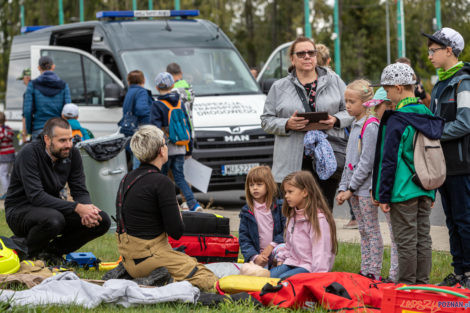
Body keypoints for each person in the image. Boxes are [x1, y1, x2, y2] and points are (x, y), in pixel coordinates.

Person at [115, 125, 217, 291]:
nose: (166, 147)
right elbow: (176, 232)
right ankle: (161, 280)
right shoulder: (162, 183)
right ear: (161, 151)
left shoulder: (127, 179)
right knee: (207, 277)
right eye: (165, 144)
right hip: (151, 258)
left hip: (128, 259)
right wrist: (177, 210)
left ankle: (139, 276)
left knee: (185, 259)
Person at [261, 36, 353, 211]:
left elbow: (351, 111)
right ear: (292, 58)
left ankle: (324, 239)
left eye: (311, 53)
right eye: (301, 53)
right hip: (292, 160)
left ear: (316, 56)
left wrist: (335, 120)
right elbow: (266, 121)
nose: (307, 57)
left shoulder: (334, 81)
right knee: (293, 213)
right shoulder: (279, 87)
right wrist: (287, 124)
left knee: (323, 211)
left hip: (326, 156)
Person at [372, 62, 444, 284]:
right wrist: (431, 191)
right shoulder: (428, 114)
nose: (386, 94)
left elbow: (389, 160)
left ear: (399, 87)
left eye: (388, 89)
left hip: (402, 190)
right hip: (425, 187)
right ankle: (422, 286)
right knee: (423, 238)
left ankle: (406, 289)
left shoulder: (396, 119)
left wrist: (383, 195)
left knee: (405, 241)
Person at [4, 117, 110, 264]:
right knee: (54, 220)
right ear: (47, 139)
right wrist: (77, 207)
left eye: (70, 139)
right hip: (19, 210)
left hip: (51, 207)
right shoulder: (29, 153)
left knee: (101, 220)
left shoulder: (72, 153)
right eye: (62, 141)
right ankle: (24, 251)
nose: (68, 145)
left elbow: (79, 190)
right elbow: (36, 196)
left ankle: (51, 252)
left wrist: (88, 209)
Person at [422, 27, 470, 287]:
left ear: (449, 50)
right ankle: (459, 272)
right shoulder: (441, 82)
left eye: (433, 50)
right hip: (443, 164)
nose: (429, 55)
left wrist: (435, 134)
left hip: (462, 164)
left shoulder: (463, 82)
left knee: (465, 219)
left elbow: (465, 123)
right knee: (452, 221)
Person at [336, 80, 397, 282]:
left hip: (363, 189)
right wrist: (343, 186)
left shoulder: (370, 126)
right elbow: (349, 161)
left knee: (372, 231)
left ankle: (373, 271)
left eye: (351, 101)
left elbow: (367, 162)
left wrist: (351, 188)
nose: (347, 105)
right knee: (363, 230)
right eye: (345, 101)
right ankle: (365, 269)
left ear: (365, 102)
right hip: (353, 189)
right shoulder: (354, 125)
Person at [150, 72, 202, 212]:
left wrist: (156, 149)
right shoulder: (180, 102)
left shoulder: (157, 105)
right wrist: (188, 148)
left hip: (165, 148)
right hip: (180, 147)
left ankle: (167, 206)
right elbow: (187, 126)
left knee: (162, 178)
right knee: (180, 178)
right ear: (173, 85)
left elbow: (155, 130)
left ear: (156, 87)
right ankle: (193, 204)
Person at [270, 170, 336, 280]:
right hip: (292, 262)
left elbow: (322, 253)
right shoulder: (292, 216)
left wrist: (318, 278)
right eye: (285, 192)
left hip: (310, 267)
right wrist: (281, 259)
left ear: (305, 192)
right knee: (268, 277)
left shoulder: (318, 220)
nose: (286, 196)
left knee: (284, 280)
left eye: (290, 192)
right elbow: (289, 245)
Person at [239, 166, 285, 268]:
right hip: (259, 256)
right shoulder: (246, 212)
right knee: (249, 273)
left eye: (259, 184)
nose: (255, 187)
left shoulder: (280, 207)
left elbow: (286, 231)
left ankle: (280, 274)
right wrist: (255, 257)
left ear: (268, 185)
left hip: (276, 250)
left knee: (283, 250)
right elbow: (244, 239)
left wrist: (272, 245)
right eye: (251, 185)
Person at [23, 56, 71, 139]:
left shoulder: (32, 85)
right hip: (58, 130)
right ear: (53, 66)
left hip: (38, 129)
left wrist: (29, 130)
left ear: (39, 67)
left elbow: (27, 111)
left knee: (38, 152)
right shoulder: (64, 85)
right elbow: (68, 110)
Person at [118, 70, 153, 169]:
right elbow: (141, 109)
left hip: (129, 130)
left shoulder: (129, 92)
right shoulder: (141, 91)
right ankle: (137, 182)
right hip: (139, 130)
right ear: (144, 80)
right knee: (140, 160)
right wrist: (149, 125)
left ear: (129, 81)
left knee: (135, 157)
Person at [0, 112, 15, 200]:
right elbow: (11, 136)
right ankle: (11, 191)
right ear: (5, 120)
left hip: (3, 155)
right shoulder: (9, 129)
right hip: (11, 154)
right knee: (8, 174)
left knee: (2, 174)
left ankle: (6, 192)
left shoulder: (1, 130)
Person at [18, 68, 31, 143]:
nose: (23, 82)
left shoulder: (27, 94)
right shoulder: (41, 90)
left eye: (23, 79)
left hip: (32, 130)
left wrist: (24, 134)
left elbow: (26, 115)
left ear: (27, 78)